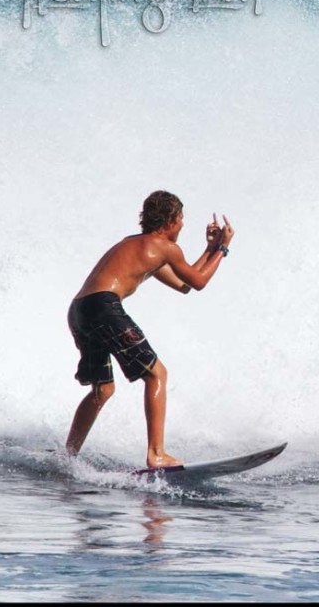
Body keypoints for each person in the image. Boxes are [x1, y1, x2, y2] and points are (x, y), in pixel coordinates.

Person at [65, 190, 234, 468]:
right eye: (180, 219)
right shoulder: (165, 247)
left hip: (80, 309)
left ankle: (68, 455)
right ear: (169, 220)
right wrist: (223, 248)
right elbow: (200, 282)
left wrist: (210, 248)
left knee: (102, 390)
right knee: (157, 373)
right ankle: (156, 454)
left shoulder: (137, 245)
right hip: (105, 307)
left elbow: (185, 284)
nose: (181, 225)